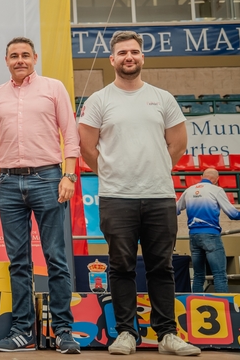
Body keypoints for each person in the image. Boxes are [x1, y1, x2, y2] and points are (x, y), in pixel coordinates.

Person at [78, 30, 201, 356]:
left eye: (133, 52)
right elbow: (87, 148)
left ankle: (167, 335)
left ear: (142, 57)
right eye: (122, 53)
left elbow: (178, 144)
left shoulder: (163, 98)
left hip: (159, 196)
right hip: (116, 197)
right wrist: (113, 173)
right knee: (121, 267)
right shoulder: (99, 100)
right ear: (112, 59)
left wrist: (154, 170)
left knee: (162, 266)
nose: (128, 57)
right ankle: (126, 334)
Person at [0, 37, 81, 354]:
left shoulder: (54, 88)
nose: (19, 60)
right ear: (6, 60)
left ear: (35, 57)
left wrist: (69, 175)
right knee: (18, 262)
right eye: (13, 55)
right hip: (8, 183)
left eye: (25, 55)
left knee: (56, 259)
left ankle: (63, 331)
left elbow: (70, 134)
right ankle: (23, 332)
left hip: (49, 179)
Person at [177, 168, 240, 293]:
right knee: (219, 275)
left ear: (201, 176)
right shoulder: (216, 190)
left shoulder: (189, 190)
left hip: (193, 235)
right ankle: (223, 304)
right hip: (210, 234)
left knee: (198, 276)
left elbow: (175, 209)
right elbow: (232, 214)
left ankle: (196, 301)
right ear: (217, 179)